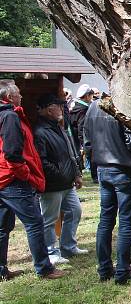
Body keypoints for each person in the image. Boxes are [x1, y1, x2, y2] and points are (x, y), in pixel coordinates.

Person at [0, 80, 65, 280]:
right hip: (12, 180)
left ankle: (1, 269)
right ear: (9, 97)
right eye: (18, 93)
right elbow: (12, 153)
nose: (21, 96)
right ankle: (45, 268)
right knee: (35, 223)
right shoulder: (10, 116)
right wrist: (25, 175)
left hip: (3, 178)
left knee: (2, 227)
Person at [83, 96, 131, 284]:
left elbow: (86, 139)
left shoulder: (93, 106)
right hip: (124, 168)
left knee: (106, 220)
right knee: (126, 222)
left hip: (104, 168)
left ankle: (105, 269)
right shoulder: (123, 104)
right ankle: (123, 272)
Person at [33, 93, 86, 264]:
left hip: (66, 183)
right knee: (49, 219)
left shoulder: (58, 127)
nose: (62, 108)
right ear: (50, 109)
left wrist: (76, 173)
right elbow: (42, 161)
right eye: (59, 106)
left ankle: (68, 246)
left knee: (75, 211)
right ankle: (50, 251)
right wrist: (61, 174)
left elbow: (70, 153)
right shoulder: (41, 132)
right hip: (52, 185)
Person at [70, 84, 96, 181]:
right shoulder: (83, 109)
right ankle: (94, 177)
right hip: (80, 138)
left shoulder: (75, 107)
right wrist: (84, 143)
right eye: (91, 95)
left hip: (74, 137)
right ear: (86, 96)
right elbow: (82, 127)